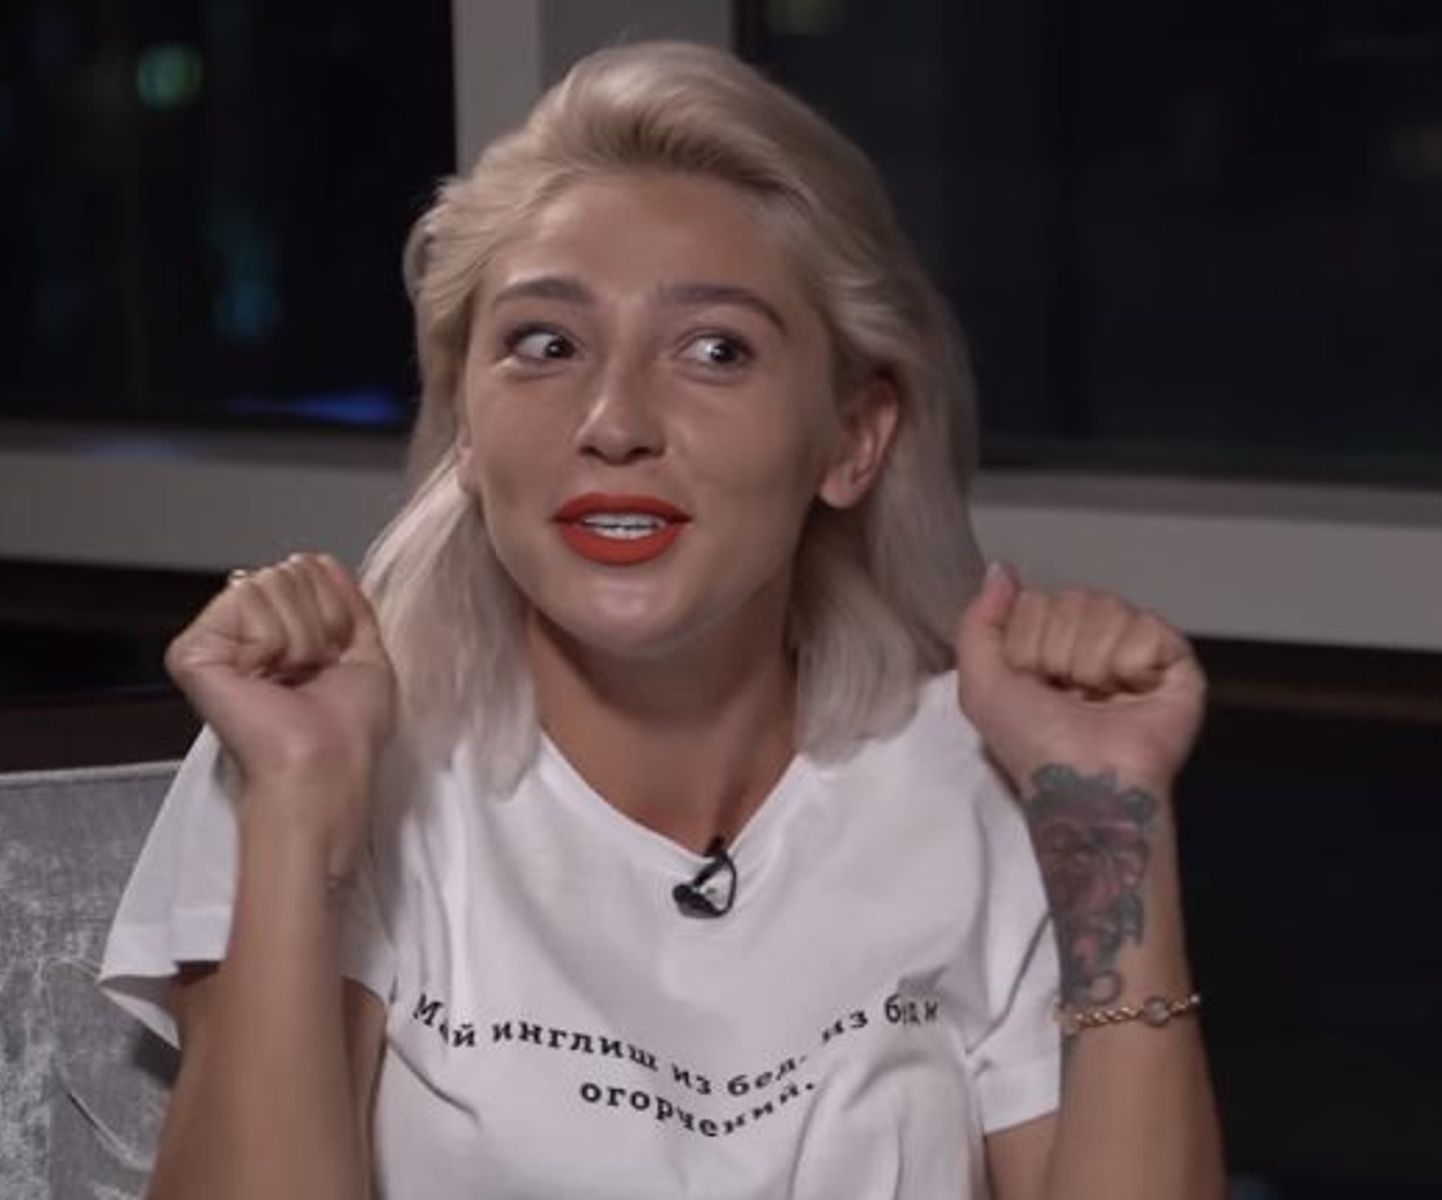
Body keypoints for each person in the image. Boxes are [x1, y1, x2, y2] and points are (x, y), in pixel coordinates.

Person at [99, 40, 1224, 1200]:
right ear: (467, 428)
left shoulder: (974, 775)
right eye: (545, 344)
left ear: (852, 438)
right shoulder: (319, 749)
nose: (615, 422)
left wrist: (1111, 822)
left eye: (714, 350)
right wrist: (299, 815)